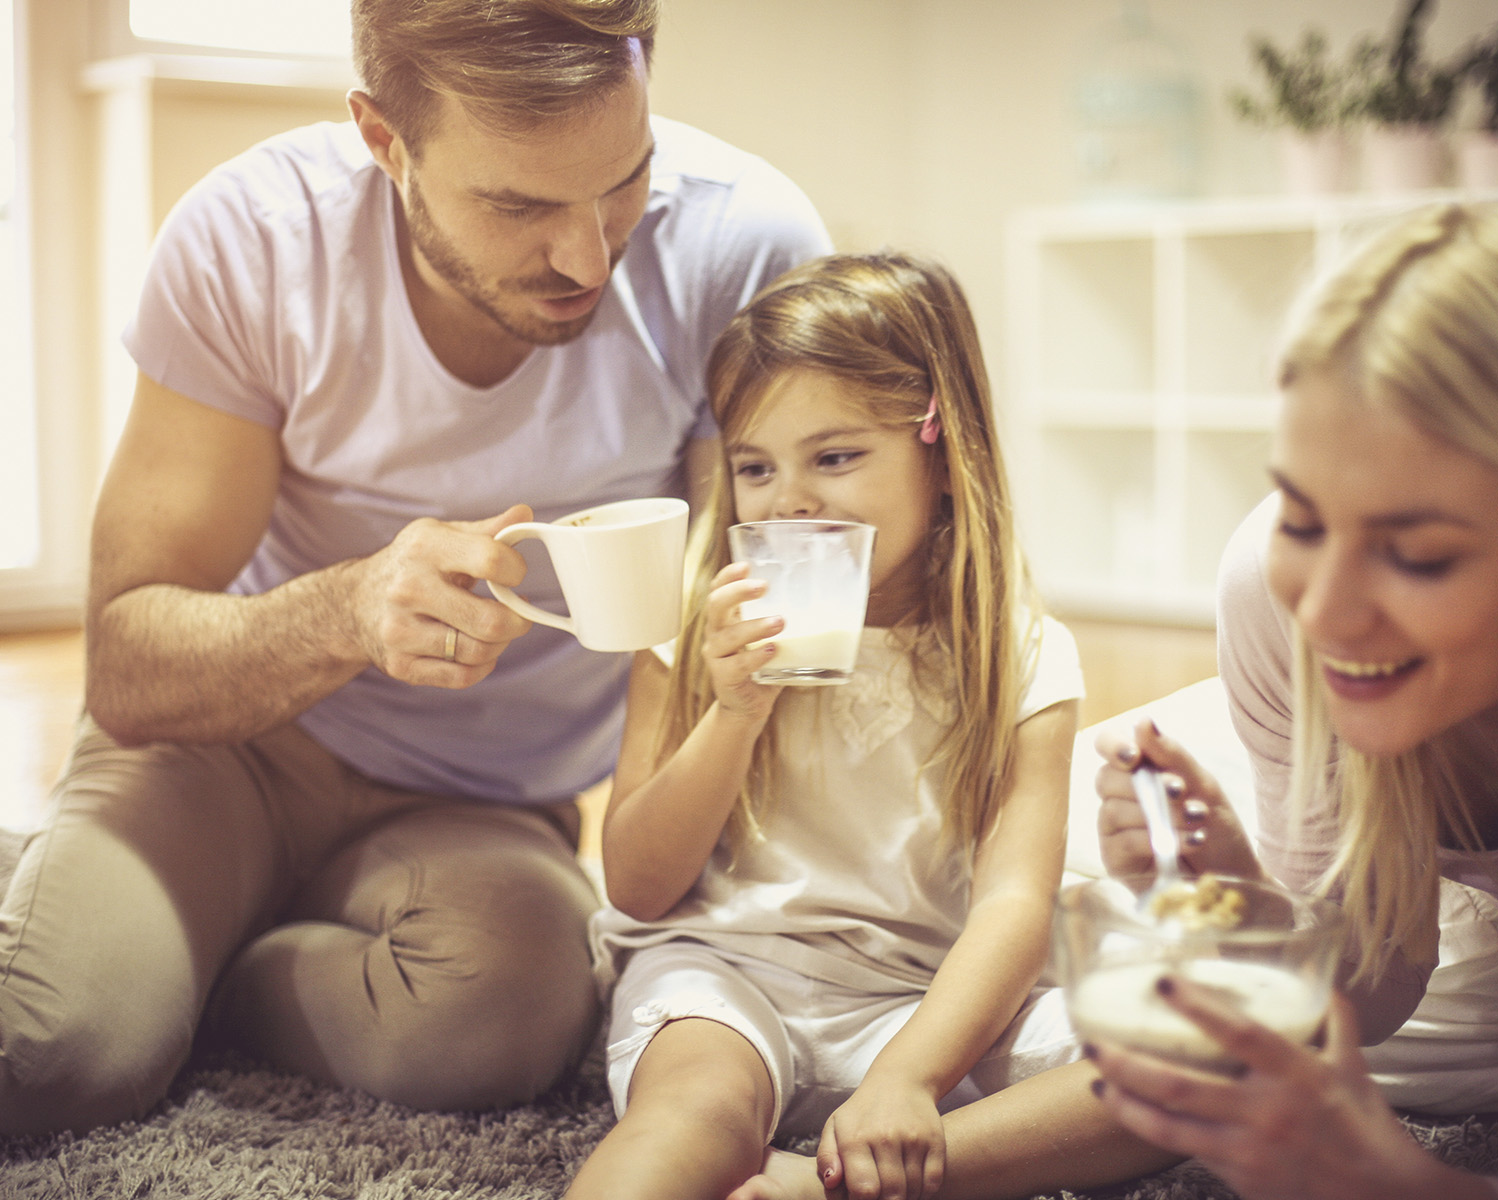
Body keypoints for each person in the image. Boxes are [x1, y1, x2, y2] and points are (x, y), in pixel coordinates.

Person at [0, 0, 829, 1135]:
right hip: (227, 751)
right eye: (519, 203)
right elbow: (131, 668)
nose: (588, 254)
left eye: (623, 178)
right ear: (385, 141)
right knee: (57, 1059)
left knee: (507, 1018)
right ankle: (109, 915)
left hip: (484, 798)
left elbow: (744, 592)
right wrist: (346, 610)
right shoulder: (252, 242)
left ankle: (188, 954)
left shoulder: (742, 247)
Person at [1089, 199, 1498, 1199]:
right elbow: (1374, 983)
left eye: (1415, 554)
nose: (1322, 612)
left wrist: (1423, 1191)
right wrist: (1244, 905)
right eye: (1302, 518)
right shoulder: (1269, 597)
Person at [560, 250, 1090, 1200]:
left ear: (941, 451)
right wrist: (734, 709)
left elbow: (1014, 908)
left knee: (1184, 1068)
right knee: (694, 1114)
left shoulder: (1020, 650)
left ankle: (825, 1184)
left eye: (836, 457)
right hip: (727, 979)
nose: (791, 500)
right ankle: (861, 1165)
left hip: (926, 1003)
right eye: (756, 467)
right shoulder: (693, 629)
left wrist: (909, 1079)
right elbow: (638, 887)